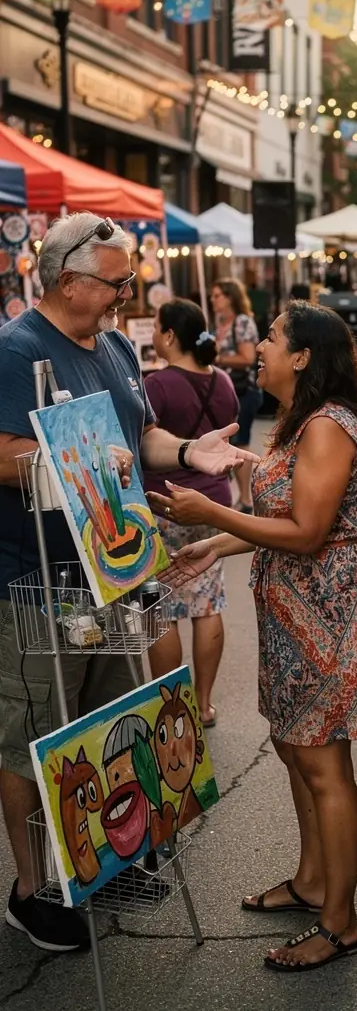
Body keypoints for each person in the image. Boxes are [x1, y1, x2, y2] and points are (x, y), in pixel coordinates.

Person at [0, 212, 255, 953]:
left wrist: (188, 451)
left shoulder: (112, 345)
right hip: (33, 577)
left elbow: (139, 434)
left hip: (109, 573)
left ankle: (98, 859)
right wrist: (64, 467)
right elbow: (4, 451)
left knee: (108, 722)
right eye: (116, 283)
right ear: (70, 281)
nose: (126, 295)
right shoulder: (17, 349)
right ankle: (29, 889)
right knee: (30, 736)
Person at [149, 301, 357, 973]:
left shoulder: (328, 426)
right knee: (293, 747)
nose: (259, 346)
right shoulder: (299, 423)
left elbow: (309, 532)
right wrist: (214, 543)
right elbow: (279, 518)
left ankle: (341, 923)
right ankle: (313, 881)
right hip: (291, 605)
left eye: (273, 338)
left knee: (324, 763)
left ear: (305, 356)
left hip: (324, 609)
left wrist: (214, 510)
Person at [144, 298, 240, 728]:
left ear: (168, 336)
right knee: (206, 603)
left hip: (167, 501)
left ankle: (172, 708)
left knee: (161, 606)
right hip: (217, 504)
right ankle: (203, 705)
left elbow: (142, 439)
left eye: (157, 328)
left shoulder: (157, 384)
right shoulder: (222, 380)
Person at [211, 278, 262, 513]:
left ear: (230, 297)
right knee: (230, 441)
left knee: (241, 442)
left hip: (243, 390)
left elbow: (247, 358)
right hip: (225, 389)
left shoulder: (242, 322)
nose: (213, 300)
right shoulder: (220, 322)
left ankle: (246, 498)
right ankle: (242, 497)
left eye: (217, 295)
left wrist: (218, 359)